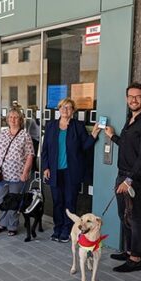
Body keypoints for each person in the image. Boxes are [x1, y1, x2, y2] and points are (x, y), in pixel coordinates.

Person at [105, 82, 141, 272]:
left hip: (137, 179)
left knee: (136, 217)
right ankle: (129, 251)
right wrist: (113, 137)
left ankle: (135, 259)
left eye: (138, 96)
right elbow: (129, 148)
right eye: (130, 96)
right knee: (124, 215)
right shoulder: (131, 120)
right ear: (127, 98)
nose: (133, 100)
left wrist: (129, 181)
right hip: (123, 175)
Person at [42, 98, 100, 243]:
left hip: (71, 171)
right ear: (59, 109)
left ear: (73, 111)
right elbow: (45, 149)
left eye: (68, 107)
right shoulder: (51, 126)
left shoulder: (77, 126)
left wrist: (94, 133)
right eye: (62, 107)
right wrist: (45, 167)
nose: (65, 110)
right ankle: (58, 228)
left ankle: (67, 230)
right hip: (55, 171)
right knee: (57, 202)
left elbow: (85, 146)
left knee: (69, 202)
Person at [0, 108, 34, 236]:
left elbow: (30, 155)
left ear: (20, 120)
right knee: (2, 198)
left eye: (16, 117)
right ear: (7, 120)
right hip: (1, 173)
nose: (13, 119)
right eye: (10, 117)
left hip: (17, 174)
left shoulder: (25, 135)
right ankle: (2, 223)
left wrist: (25, 172)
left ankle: (12, 225)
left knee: (14, 200)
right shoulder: (3, 133)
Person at [26, 105, 40, 172]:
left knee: (35, 152)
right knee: (32, 154)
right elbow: (27, 129)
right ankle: (33, 168)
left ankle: (34, 166)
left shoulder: (35, 118)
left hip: (36, 138)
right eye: (36, 110)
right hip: (32, 138)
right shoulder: (30, 118)